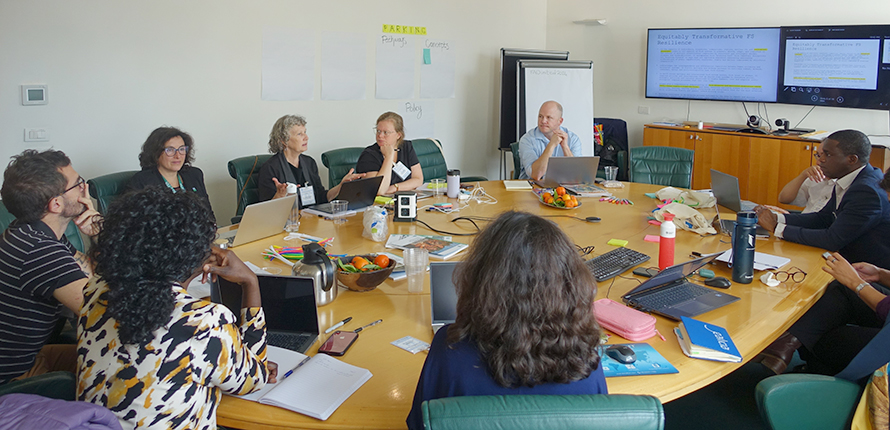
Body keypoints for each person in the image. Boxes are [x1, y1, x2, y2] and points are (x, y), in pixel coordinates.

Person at [77, 187, 275, 430]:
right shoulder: (203, 322)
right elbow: (255, 378)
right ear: (196, 254)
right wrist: (250, 282)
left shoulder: (95, 290)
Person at [406, 211, 607, 430]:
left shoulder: (449, 348)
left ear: (480, 280)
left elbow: (421, 424)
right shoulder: (587, 363)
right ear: (571, 284)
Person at [756, 167, 890, 375]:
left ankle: (817, 372)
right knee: (839, 290)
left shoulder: (865, 189)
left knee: (828, 339)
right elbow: (824, 219)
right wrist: (881, 274)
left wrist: (857, 284)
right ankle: (785, 345)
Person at [0, 149, 100, 385]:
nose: (85, 190)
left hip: (30, 358)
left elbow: (91, 274)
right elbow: (104, 311)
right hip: (14, 377)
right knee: (123, 368)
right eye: (79, 184)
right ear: (56, 203)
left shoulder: (30, 231)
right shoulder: (40, 250)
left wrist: (97, 236)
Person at [754, 130, 890, 270]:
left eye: (828, 155)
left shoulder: (866, 191)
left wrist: (777, 228)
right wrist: (776, 218)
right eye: (820, 154)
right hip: (843, 260)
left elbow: (832, 239)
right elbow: (823, 218)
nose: (820, 160)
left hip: (866, 272)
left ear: (852, 159)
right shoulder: (852, 178)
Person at [257, 115, 364, 205]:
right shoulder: (270, 168)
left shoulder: (309, 163)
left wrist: (341, 186)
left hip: (312, 220)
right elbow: (266, 212)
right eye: (299, 134)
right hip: (288, 224)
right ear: (284, 141)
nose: (306, 137)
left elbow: (321, 197)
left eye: (305, 132)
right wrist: (279, 195)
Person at [125, 126, 214, 217]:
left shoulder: (194, 174)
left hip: (199, 230)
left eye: (182, 149)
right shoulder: (142, 181)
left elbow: (208, 214)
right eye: (170, 150)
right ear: (156, 153)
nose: (178, 156)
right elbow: (140, 223)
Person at [355, 112, 423, 196]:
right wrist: (388, 157)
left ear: (398, 135)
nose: (380, 135)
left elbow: (418, 179)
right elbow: (379, 190)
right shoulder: (369, 155)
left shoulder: (406, 147)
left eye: (386, 132)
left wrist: (395, 188)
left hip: (402, 197)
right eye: (378, 131)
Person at [517, 101, 582, 180]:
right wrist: (551, 145)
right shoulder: (527, 139)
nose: (543, 121)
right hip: (532, 187)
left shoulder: (573, 139)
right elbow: (536, 175)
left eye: (549, 117)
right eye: (540, 116)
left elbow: (576, 175)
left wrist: (565, 147)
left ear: (560, 121)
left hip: (562, 188)